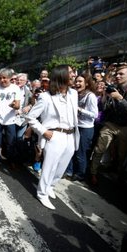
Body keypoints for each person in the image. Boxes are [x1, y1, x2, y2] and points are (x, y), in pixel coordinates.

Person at [25, 65, 79, 210]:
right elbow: (31, 117)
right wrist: (44, 131)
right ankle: (42, 193)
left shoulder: (73, 94)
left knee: (61, 167)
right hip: (54, 135)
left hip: (71, 135)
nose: (74, 75)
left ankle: (50, 186)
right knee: (49, 167)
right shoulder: (46, 97)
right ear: (62, 76)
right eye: (71, 73)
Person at [89, 65, 127, 185]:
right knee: (99, 148)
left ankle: (119, 177)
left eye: (121, 74)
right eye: (116, 74)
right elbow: (104, 108)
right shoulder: (114, 88)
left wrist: (119, 98)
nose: (117, 76)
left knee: (122, 155)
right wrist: (105, 97)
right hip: (111, 123)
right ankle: (92, 173)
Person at [65, 73, 98, 181]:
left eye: (80, 81)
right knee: (70, 150)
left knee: (81, 153)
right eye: (76, 81)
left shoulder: (91, 96)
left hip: (86, 128)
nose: (77, 83)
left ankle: (80, 174)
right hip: (75, 126)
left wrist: (80, 109)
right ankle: (69, 171)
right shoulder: (75, 94)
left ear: (87, 84)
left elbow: (95, 115)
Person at [0, 68, 21, 172]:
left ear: (10, 78)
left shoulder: (15, 88)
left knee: (11, 142)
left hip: (10, 120)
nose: (2, 80)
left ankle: (11, 161)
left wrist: (13, 105)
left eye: (4, 78)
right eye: (0, 78)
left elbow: (18, 106)